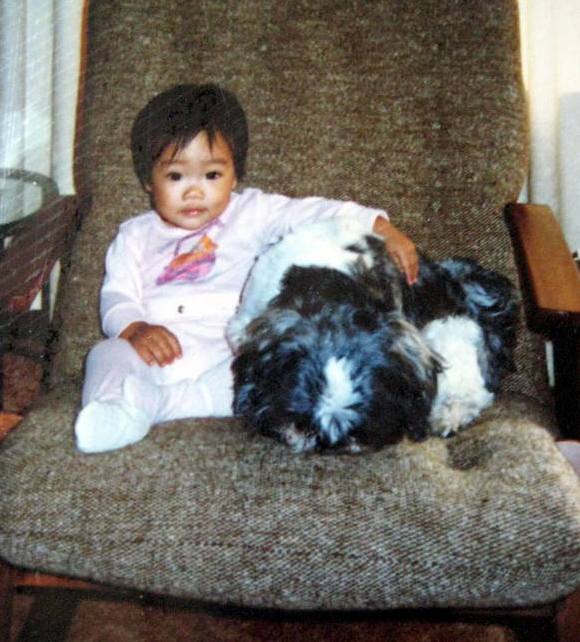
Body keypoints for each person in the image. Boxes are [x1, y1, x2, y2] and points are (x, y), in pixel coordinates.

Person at [75, 84, 419, 453]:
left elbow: (314, 212)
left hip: (227, 351)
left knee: (261, 374)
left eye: (212, 175)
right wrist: (135, 329)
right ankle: (110, 412)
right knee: (105, 354)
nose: (194, 192)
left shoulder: (253, 213)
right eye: (176, 176)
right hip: (154, 352)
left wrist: (380, 227)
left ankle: (158, 405)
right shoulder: (134, 235)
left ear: (235, 176)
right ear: (148, 180)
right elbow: (118, 294)